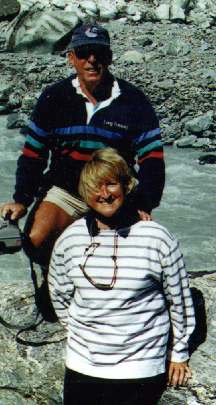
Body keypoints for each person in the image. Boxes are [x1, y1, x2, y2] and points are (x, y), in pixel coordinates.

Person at [0, 22, 165, 264]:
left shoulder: (134, 101)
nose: (91, 60)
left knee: (125, 257)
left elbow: (152, 160)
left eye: (98, 53)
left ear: (108, 58)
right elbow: (33, 155)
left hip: (113, 194)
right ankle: (54, 283)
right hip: (66, 191)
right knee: (35, 240)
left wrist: (143, 202)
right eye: (83, 53)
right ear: (71, 58)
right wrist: (21, 199)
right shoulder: (53, 97)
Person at [48, 148, 195, 405]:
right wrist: (82, 334)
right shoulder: (69, 240)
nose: (104, 194)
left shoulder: (157, 237)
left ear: (127, 186)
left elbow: (179, 298)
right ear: (84, 192)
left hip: (140, 366)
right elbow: (59, 292)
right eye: (95, 186)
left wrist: (179, 352)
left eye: (111, 184)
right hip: (84, 364)